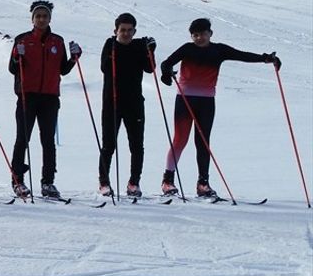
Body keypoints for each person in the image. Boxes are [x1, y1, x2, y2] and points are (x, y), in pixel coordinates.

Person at [159, 18, 280, 198]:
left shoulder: (219, 50)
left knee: (203, 142)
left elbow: (242, 55)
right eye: (195, 35)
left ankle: (203, 184)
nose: (199, 38)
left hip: (207, 102)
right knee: (180, 140)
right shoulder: (187, 48)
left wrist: (265, 58)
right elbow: (166, 63)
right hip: (185, 100)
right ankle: (168, 181)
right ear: (191, 36)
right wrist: (166, 74)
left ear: (210, 33)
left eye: (203, 34)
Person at [8, 0, 81, 199]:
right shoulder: (22, 39)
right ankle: (18, 180)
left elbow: (63, 70)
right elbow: (13, 68)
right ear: (32, 18)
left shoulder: (57, 41)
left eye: (45, 16)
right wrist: (17, 55)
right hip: (27, 95)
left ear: (50, 18)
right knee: (23, 138)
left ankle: (48, 182)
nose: (41, 19)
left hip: (49, 97)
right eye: (38, 16)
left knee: (48, 141)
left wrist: (74, 58)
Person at [97, 13, 155, 198]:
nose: (126, 34)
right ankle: (104, 183)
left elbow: (150, 68)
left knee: (137, 145)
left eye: (130, 30)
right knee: (108, 145)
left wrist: (150, 50)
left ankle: (133, 183)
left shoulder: (139, 45)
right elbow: (104, 67)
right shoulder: (110, 44)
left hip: (135, 103)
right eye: (123, 30)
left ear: (135, 31)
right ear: (116, 31)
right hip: (112, 102)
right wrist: (112, 55)